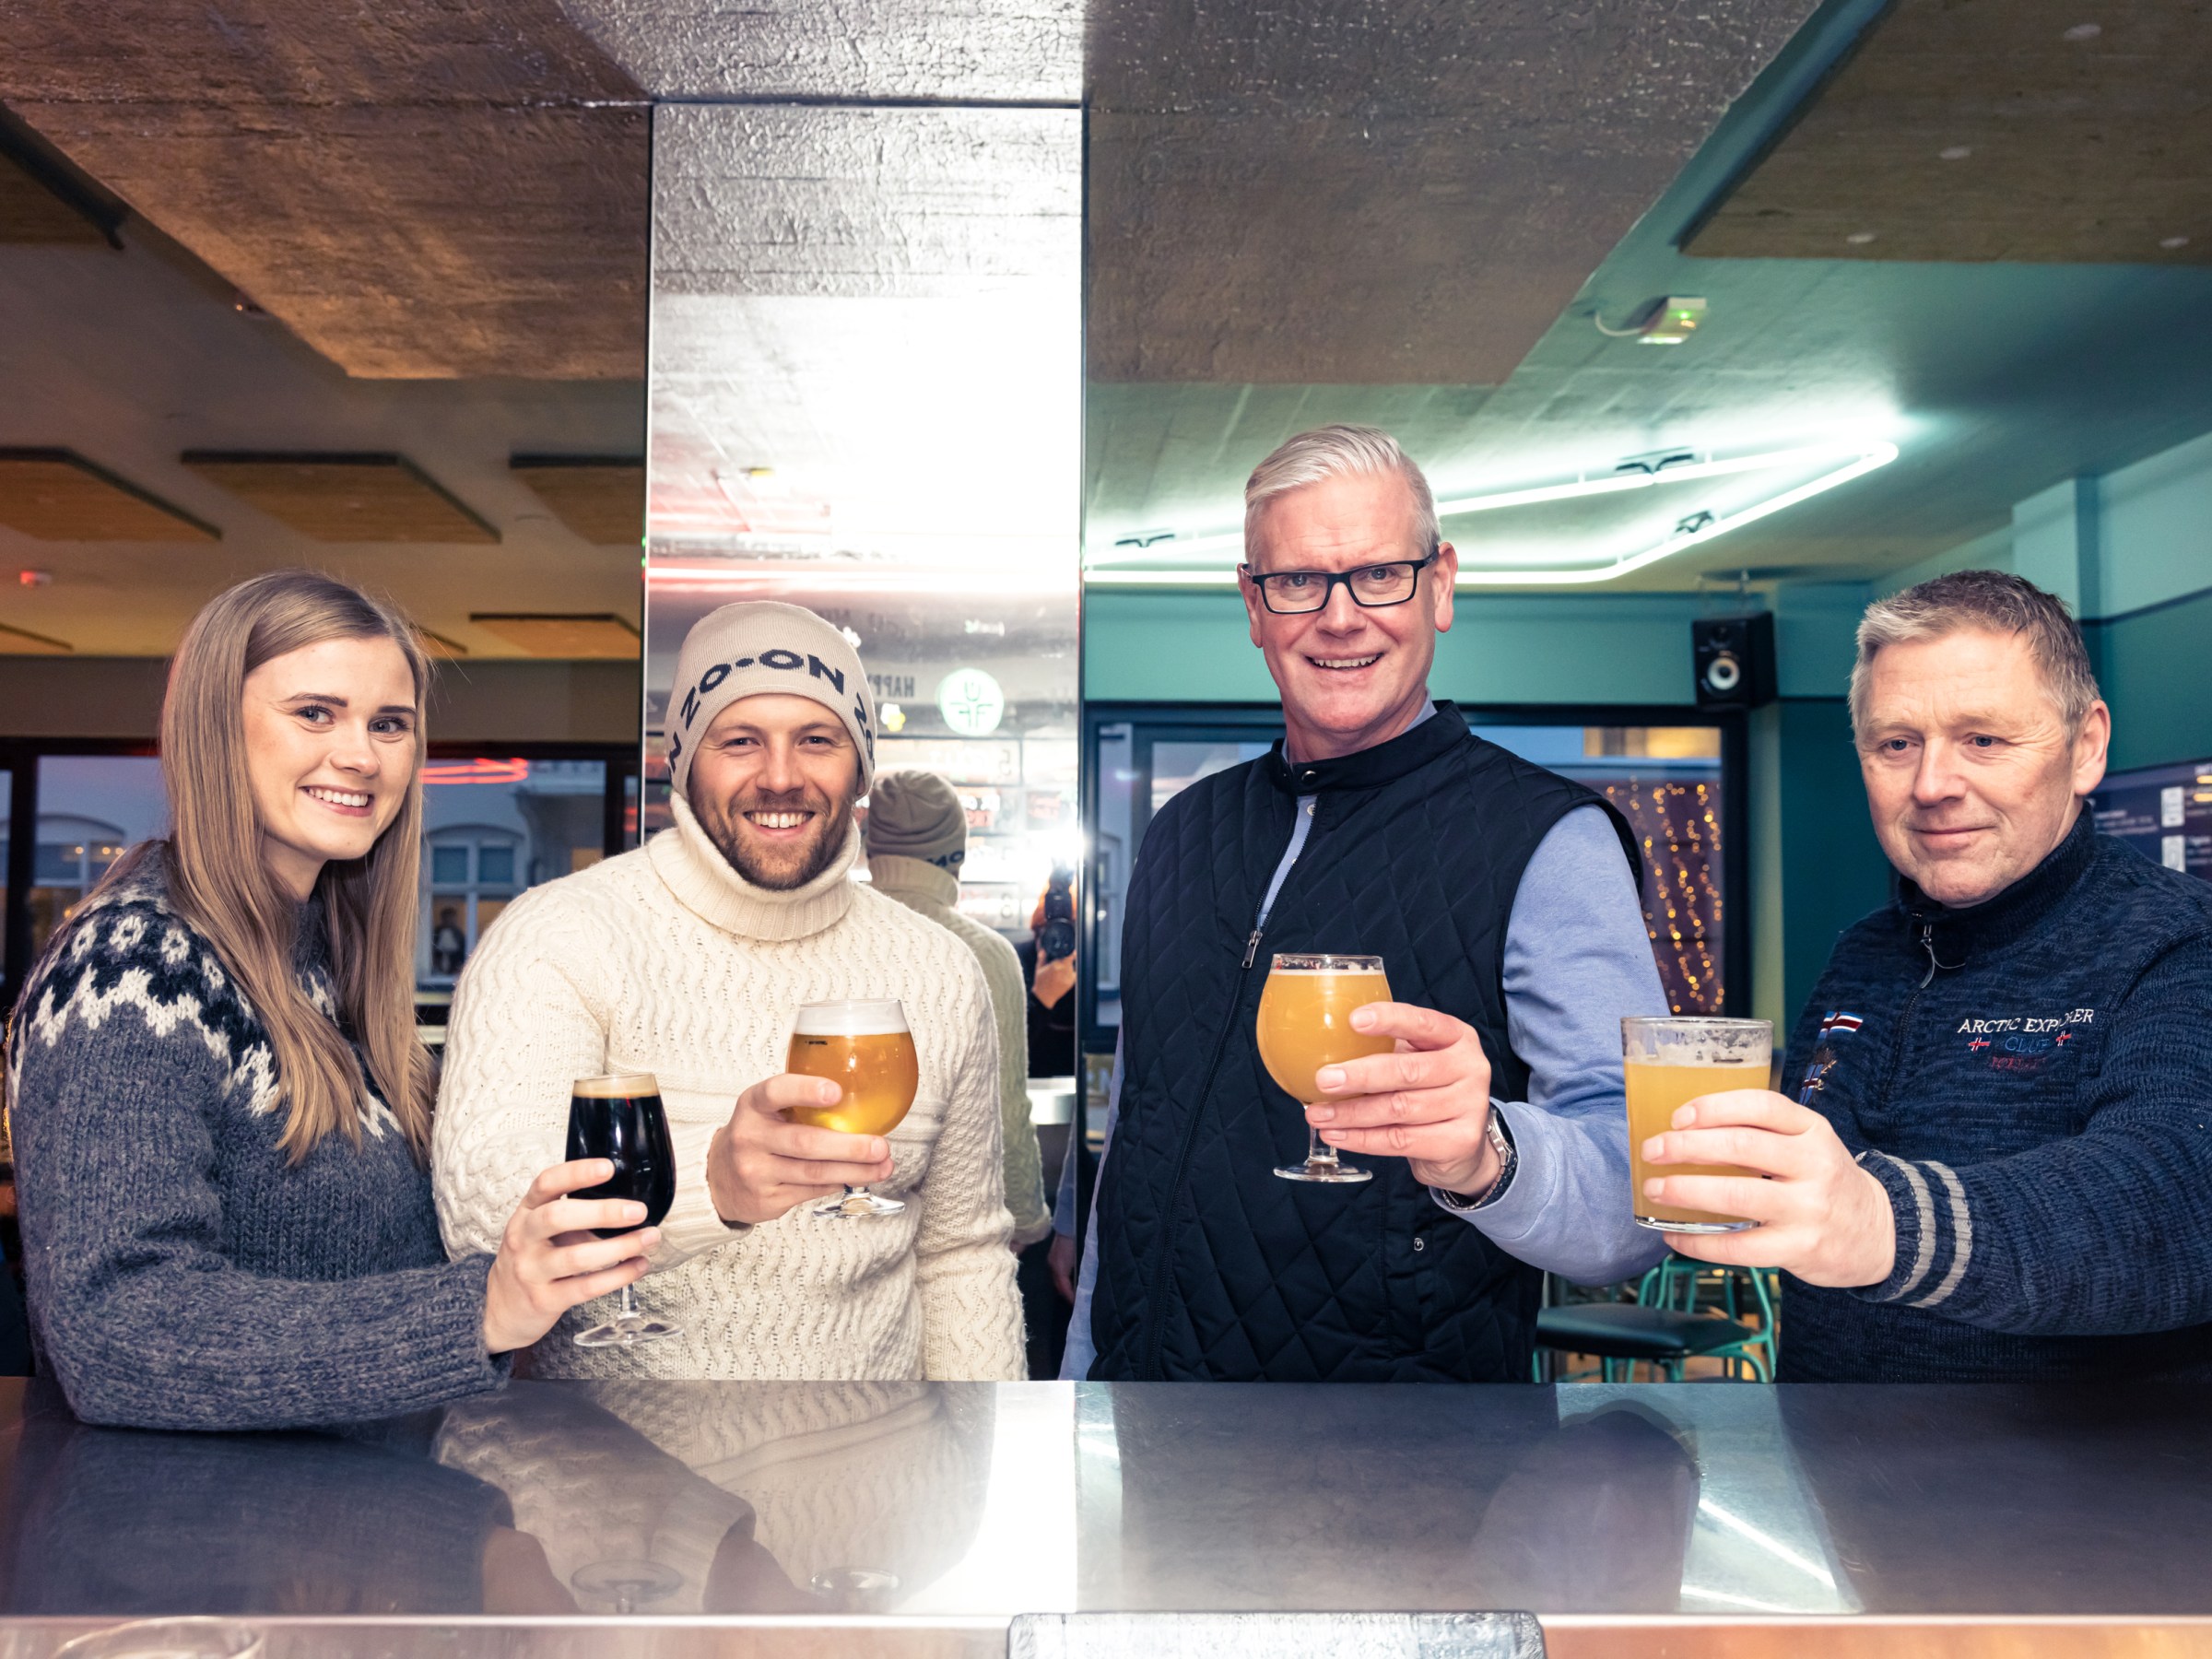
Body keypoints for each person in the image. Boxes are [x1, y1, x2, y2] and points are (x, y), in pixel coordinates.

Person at [1069, 425, 1669, 1382]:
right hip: (1150, 1433)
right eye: (1298, 582)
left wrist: (1492, 1156)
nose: (1340, 617)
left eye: (1380, 574)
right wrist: (1081, 1377)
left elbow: (1640, 1206)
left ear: (1441, 586)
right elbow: (1136, 1148)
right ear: (1253, 606)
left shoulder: (1548, 841)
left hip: (1404, 1467)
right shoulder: (1181, 833)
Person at [4, 571, 645, 1431]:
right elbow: (119, 1333)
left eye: (389, 724)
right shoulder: (133, 968)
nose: (361, 755)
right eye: (315, 713)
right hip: (192, 1550)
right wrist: (478, 1311)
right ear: (214, 730)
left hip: (351, 1534)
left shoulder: (329, 968)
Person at [1641, 571, 2212, 1382]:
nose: (1933, 785)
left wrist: (1881, 1225)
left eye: (1984, 739)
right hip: (1838, 1481)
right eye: (1896, 744)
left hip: (2090, 1498)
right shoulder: (1863, 956)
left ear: (2085, 747)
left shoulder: (2182, 943)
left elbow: (2173, 1196)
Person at [434, 600, 1024, 1381]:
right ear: (684, 760)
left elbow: (961, 1255)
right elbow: (484, 1225)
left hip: (878, 1478)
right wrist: (711, 1193)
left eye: (817, 740)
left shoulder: (941, 969)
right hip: (614, 1482)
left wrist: (977, 1472)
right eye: (739, 740)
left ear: (861, 767)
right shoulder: (560, 936)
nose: (780, 776)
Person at [1015, 872, 1078, 1078]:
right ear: (1037, 931)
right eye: (1050, 931)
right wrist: (1041, 998)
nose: (1058, 941)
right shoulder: (1017, 959)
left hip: (1075, 1075)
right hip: (1031, 1078)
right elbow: (1005, 1044)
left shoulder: (1085, 964)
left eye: (1066, 932)